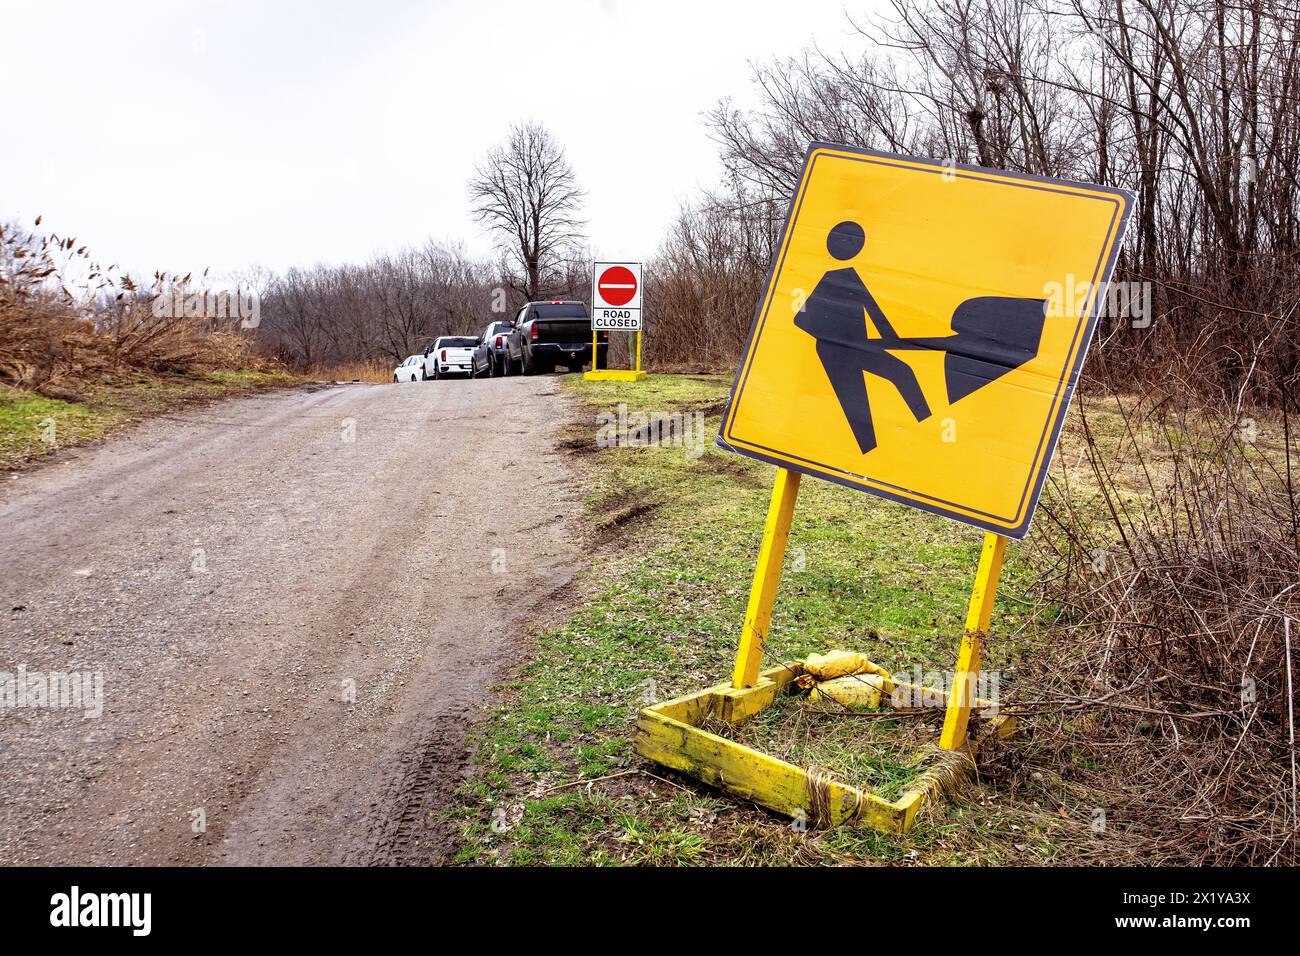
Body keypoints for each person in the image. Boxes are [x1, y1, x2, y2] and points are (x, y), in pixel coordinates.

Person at [794, 220, 932, 454]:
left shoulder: (853, 277)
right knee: (857, 405)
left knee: (903, 372)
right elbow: (801, 319)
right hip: (834, 351)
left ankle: (928, 430)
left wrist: (894, 340)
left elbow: (878, 318)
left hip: (859, 347)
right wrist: (834, 338)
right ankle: (869, 451)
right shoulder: (832, 278)